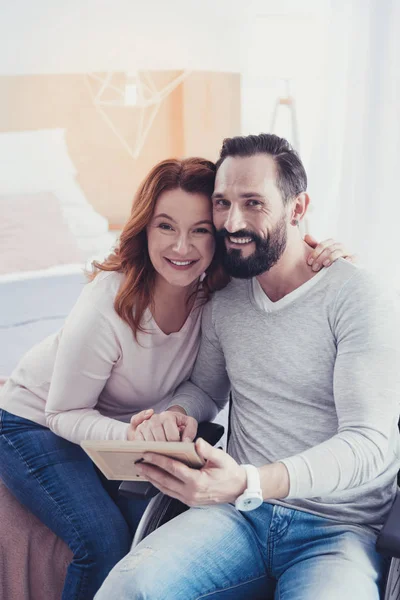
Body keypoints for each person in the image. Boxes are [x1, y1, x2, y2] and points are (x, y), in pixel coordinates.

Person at [0, 155, 346, 600]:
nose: (181, 247)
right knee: (103, 541)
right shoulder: (108, 303)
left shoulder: (216, 292)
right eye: (165, 226)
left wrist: (327, 255)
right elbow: (64, 412)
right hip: (36, 422)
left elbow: (280, 261)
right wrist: (138, 434)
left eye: (200, 229)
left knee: (158, 527)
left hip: (124, 428)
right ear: (145, 227)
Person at [96, 134, 400, 600]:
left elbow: (371, 442)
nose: (232, 221)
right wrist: (178, 413)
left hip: (338, 530)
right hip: (238, 514)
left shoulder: (357, 297)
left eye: (253, 202)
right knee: (129, 588)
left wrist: (251, 480)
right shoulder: (226, 297)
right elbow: (205, 389)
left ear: (298, 209)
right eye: (222, 203)